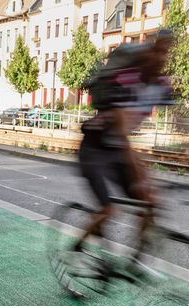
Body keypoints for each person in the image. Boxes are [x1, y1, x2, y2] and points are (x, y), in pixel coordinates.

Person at [73, 31, 175, 262]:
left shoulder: (160, 85)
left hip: (117, 150)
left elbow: (187, 144)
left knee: (148, 205)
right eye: (156, 53)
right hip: (94, 150)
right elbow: (122, 136)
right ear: (144, 57)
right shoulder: (125, 81)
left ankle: (134, 263)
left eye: (165, 55)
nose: (161, 60)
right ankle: (76, 248)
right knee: (109, 209)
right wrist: (142, 177)